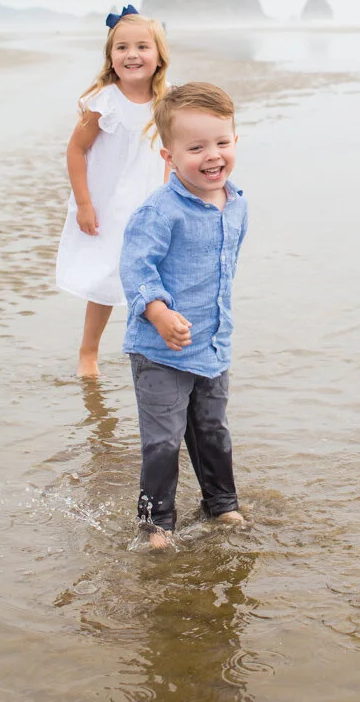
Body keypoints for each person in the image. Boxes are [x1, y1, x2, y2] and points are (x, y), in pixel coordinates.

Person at [119, 82, 248, 548]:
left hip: (212, 343)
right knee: (163, 440)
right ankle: (156, 524)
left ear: (236, 141)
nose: (212, 156)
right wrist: (156, 311)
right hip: (159, 349)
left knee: (212, 428)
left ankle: (222, 503)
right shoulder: (159, 211)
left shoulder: (237, 204)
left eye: (222, 142)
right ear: (168, 156)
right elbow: (136, 267)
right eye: (196, 148)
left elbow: (224, 270)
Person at [56, 6, 169, 377]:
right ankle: (88, 352)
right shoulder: (104, 102)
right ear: (110, 57)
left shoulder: (168, 102)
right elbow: (76, 150)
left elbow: (178, 150)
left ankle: (157, 348)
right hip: (109, 204)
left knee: (158, 275)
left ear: (159, 56)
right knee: (107, 277)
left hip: (154, 202)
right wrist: (84, 204)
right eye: (121, 48)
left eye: (141, 47)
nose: (132, 55)